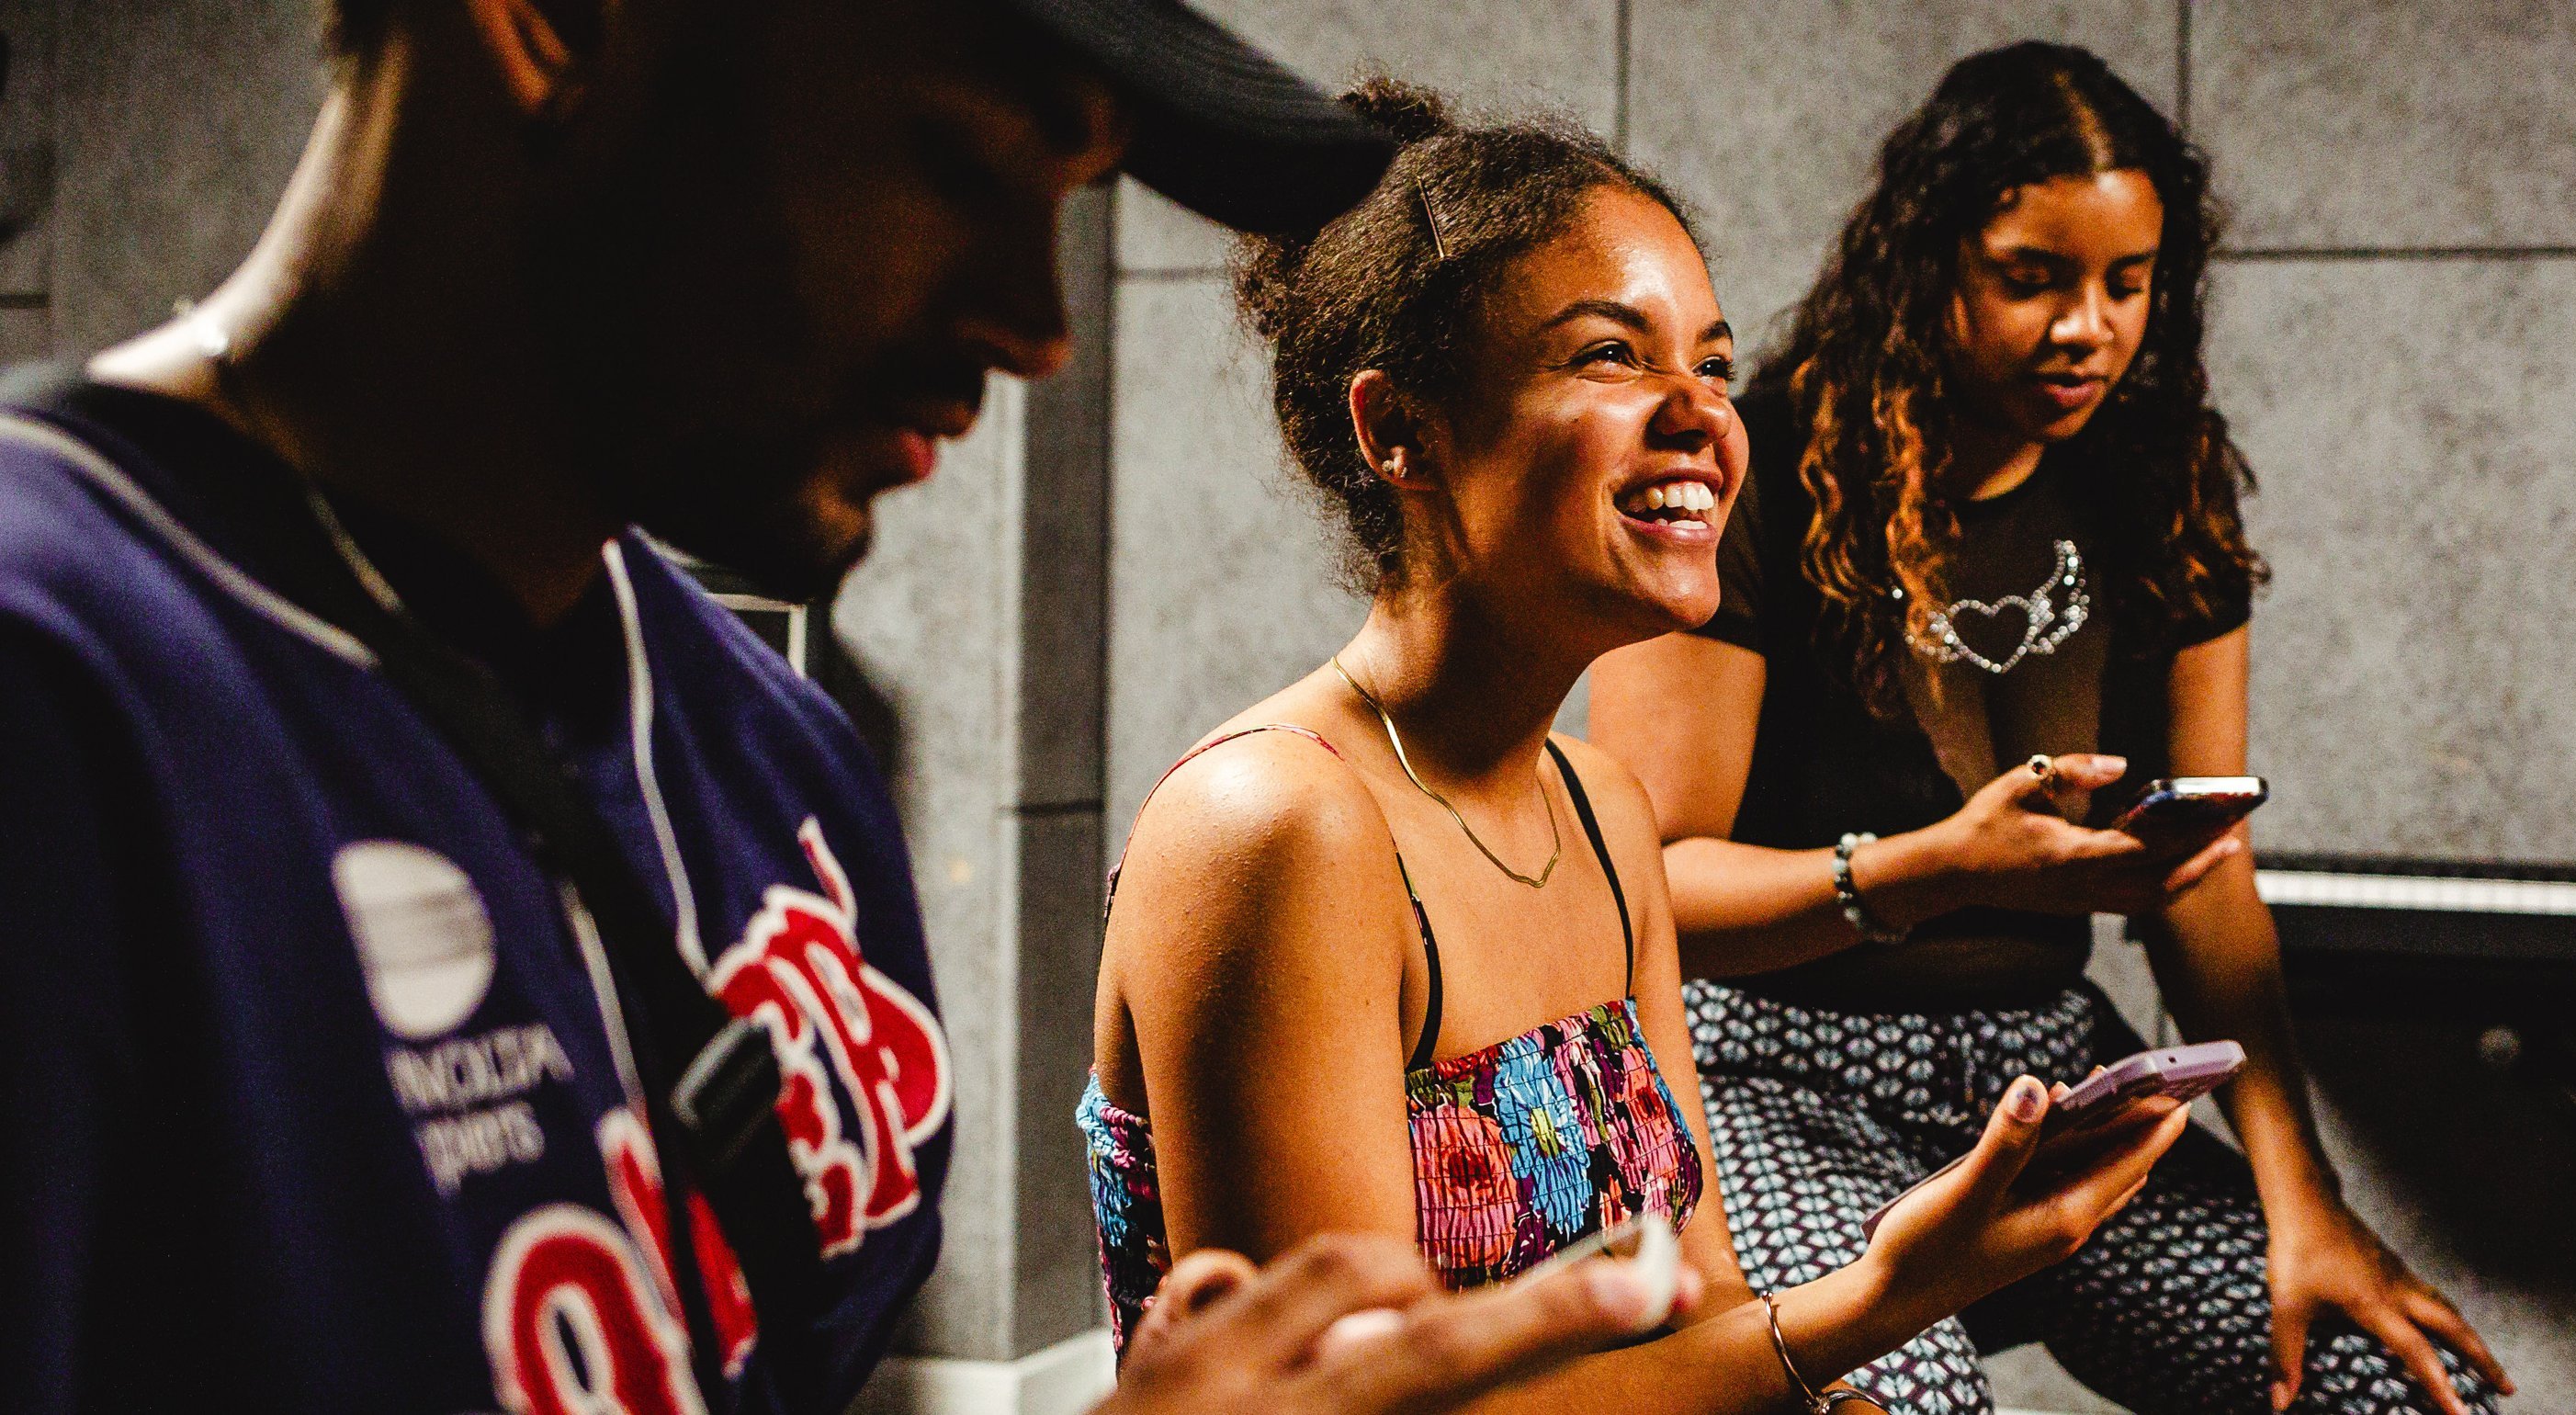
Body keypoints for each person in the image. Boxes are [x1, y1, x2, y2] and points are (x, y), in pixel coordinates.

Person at [0, 0, 1659, 1409]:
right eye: (953, 163)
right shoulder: (69, 699)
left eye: (1067, 199)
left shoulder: (779, 761)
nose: (1041, 328)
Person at [1084, 79, 2194, 1415]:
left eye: (1713, 365)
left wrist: (1852, 1355)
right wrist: (1888, 1297)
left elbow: (1703, 1303)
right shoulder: (1275, 826)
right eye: (1612, 356)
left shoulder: (1605, 813)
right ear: (1400, 431)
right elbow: (1359, 1410)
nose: (1704, 418)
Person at [1585, 42, 2510, 1415]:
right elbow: (1649, 884)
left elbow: (2204, 873)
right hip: (1768, 1080)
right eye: (2034, 279)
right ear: (1927, 264)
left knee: (2399, 1393)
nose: (2089, 326)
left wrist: (2304, 1200)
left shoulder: (2160, 483)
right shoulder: (1756, 465)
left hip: (2051, 1085)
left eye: (2125, 284)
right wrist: (1935, 867)